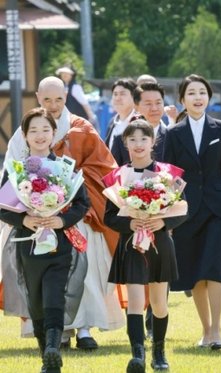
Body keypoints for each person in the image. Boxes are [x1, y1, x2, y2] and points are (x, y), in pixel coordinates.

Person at [2, 76, 124, 349]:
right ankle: (54, 334)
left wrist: (72, 184)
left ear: (66, 96)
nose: (54, 105)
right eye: (47, 100)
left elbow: (104, 169)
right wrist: (28, 209)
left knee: (85, 271)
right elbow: (10, 174)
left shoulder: (82, 128)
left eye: (58, 99)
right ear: (37, 97)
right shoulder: (26, 131)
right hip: (33, 220)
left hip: (75, 218)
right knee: (35, 283)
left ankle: (83, 328)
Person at [0, 107, 90, 373]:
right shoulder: (17, 170)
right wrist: (25, 220)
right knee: (36, 299)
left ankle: (53, 347)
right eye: (33, 130)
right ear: (25, 136)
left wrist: (61, 221)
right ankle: (46, 357)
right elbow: (3, 207)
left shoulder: (65, 168)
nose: (40, 135)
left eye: (45, 130)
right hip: (28, 243)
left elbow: (82, 204)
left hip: (60, 243)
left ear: (54, 134)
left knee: (54, 294)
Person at [104, 119, 186, 372]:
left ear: (153, 142)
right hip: (132, 244)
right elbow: (109, 216)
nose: (138, 144)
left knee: (159, 303)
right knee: (136, 302)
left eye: (143, 139)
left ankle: (158, 352)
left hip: (159, 243)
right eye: (132, 140)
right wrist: (131, 224)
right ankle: (137, 355)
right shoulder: (117, 177)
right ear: (124, 143)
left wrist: (161, 222)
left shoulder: (167, 174)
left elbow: (183, 210)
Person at [163, 74, 221, 350]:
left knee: (215, 268)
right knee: (195, 271)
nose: (198, 98)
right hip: (186, 211)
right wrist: (168, 213)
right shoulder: (173, 134)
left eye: (202, 93)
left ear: (209, 97)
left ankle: (217, 329)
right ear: (182, 99)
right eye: (192, 93)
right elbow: (167, 175)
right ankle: (205, 330)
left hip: (218, 209)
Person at [111, 83, 168, 165]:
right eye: (148, 104)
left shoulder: (173, 137)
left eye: (158, 103)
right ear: (136, 106)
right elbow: (114, 172)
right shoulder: (120, 140)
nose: (154, 108)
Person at [104, 78, 137, 149]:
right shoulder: (112, 123)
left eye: (122, 94)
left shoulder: (140, 121)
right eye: (115, 94)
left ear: (134, 97)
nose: (117, 98)